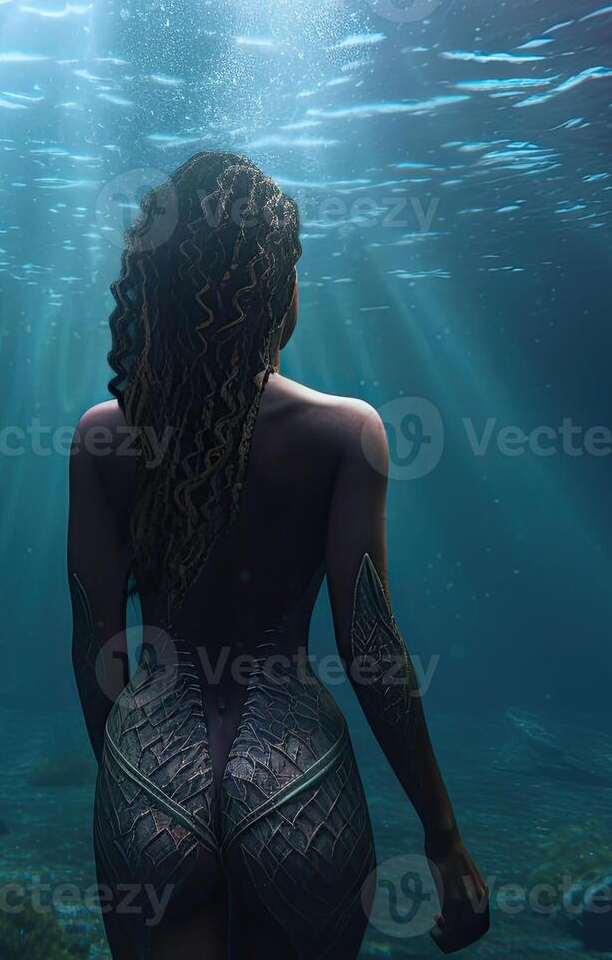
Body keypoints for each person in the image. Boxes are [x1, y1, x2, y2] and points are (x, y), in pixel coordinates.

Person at [67, 151, 488, 959]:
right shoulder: (345, 433)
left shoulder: (100, 440)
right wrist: (442, 836)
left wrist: (124, 783)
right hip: (297, 774)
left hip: (149, 770)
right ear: (272, 288)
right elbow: (370, 644)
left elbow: (95, 643)